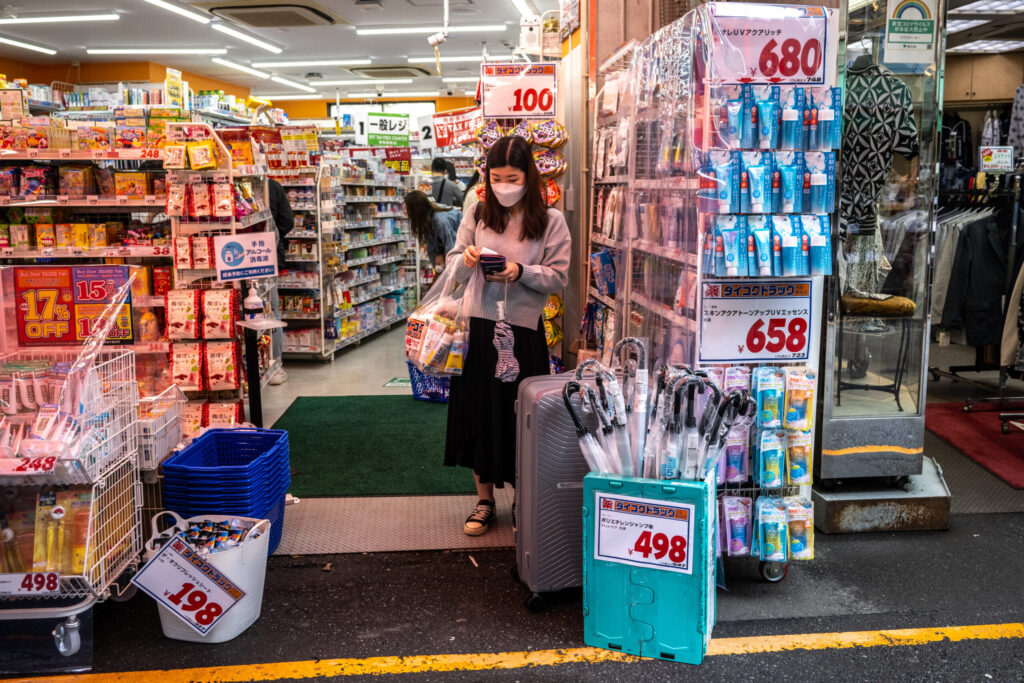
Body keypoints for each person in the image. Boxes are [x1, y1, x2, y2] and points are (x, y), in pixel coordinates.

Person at [444, 135, 571, 536]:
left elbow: (559, 277)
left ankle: (522, 500)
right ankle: (484, 501)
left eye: (511, 177)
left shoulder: (551, 220)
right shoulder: (479, 212)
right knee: (479, 415)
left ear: (528, 175)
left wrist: (520, 272)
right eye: (495, 177)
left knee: (520, 418)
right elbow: (452, 267)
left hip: (522, 332)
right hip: (478, 329)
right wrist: (465, 261)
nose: (503, 185)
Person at [267, 177, 294, 386]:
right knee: (270, 308)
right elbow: (287, 221)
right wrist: (273, 240)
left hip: (227, 257)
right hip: (265, 256)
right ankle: (274, 365)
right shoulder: (272, 186)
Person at [404, 190, 461, 269]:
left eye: (407, 208)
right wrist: (436, 260)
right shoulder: (428, 216)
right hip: (450, 248)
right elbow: (431, 244)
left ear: (415, 209)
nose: (406, 211)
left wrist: (450, 269)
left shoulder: (440, 221)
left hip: (459, 247)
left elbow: (451, 245)